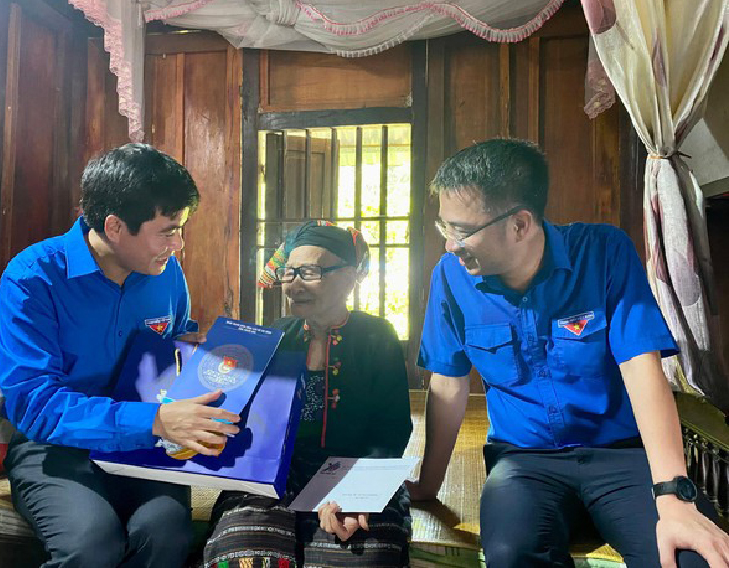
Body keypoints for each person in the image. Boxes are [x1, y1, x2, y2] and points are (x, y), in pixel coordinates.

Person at [409, 139, 729, 568]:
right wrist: (427, 487)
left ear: (520, 225)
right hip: (523, 463)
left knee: (693, 559)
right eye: (444, 227)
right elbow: (449, 385)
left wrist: (674, 496)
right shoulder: (451, 277)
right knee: (512, 556)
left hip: (621, 455)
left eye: (461, 231)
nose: (450, 245)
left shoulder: (604, 252)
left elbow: (641, 369)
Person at [0, 144, 241, 568]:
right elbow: (33, 405)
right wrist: (154, 421)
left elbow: (175, 347)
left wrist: (198, 362)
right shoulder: (32, 278)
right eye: (167, 231)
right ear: (114, 226)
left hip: (145, 444)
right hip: (54, 446)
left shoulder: (167, 274)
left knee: (165, 530)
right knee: (91, 544)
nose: (178, 244)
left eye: (181, 229)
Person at [201, 220, 413, 568]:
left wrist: (355, 493)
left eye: (310, 272)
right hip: (277, 470)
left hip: (354, 467)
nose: (294, 283)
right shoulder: (276, 334)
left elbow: (391, 431)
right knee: (247, 551)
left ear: (349, 277)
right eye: (289, 272)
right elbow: (250, 417)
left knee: (364, 552)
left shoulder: (378, 337)